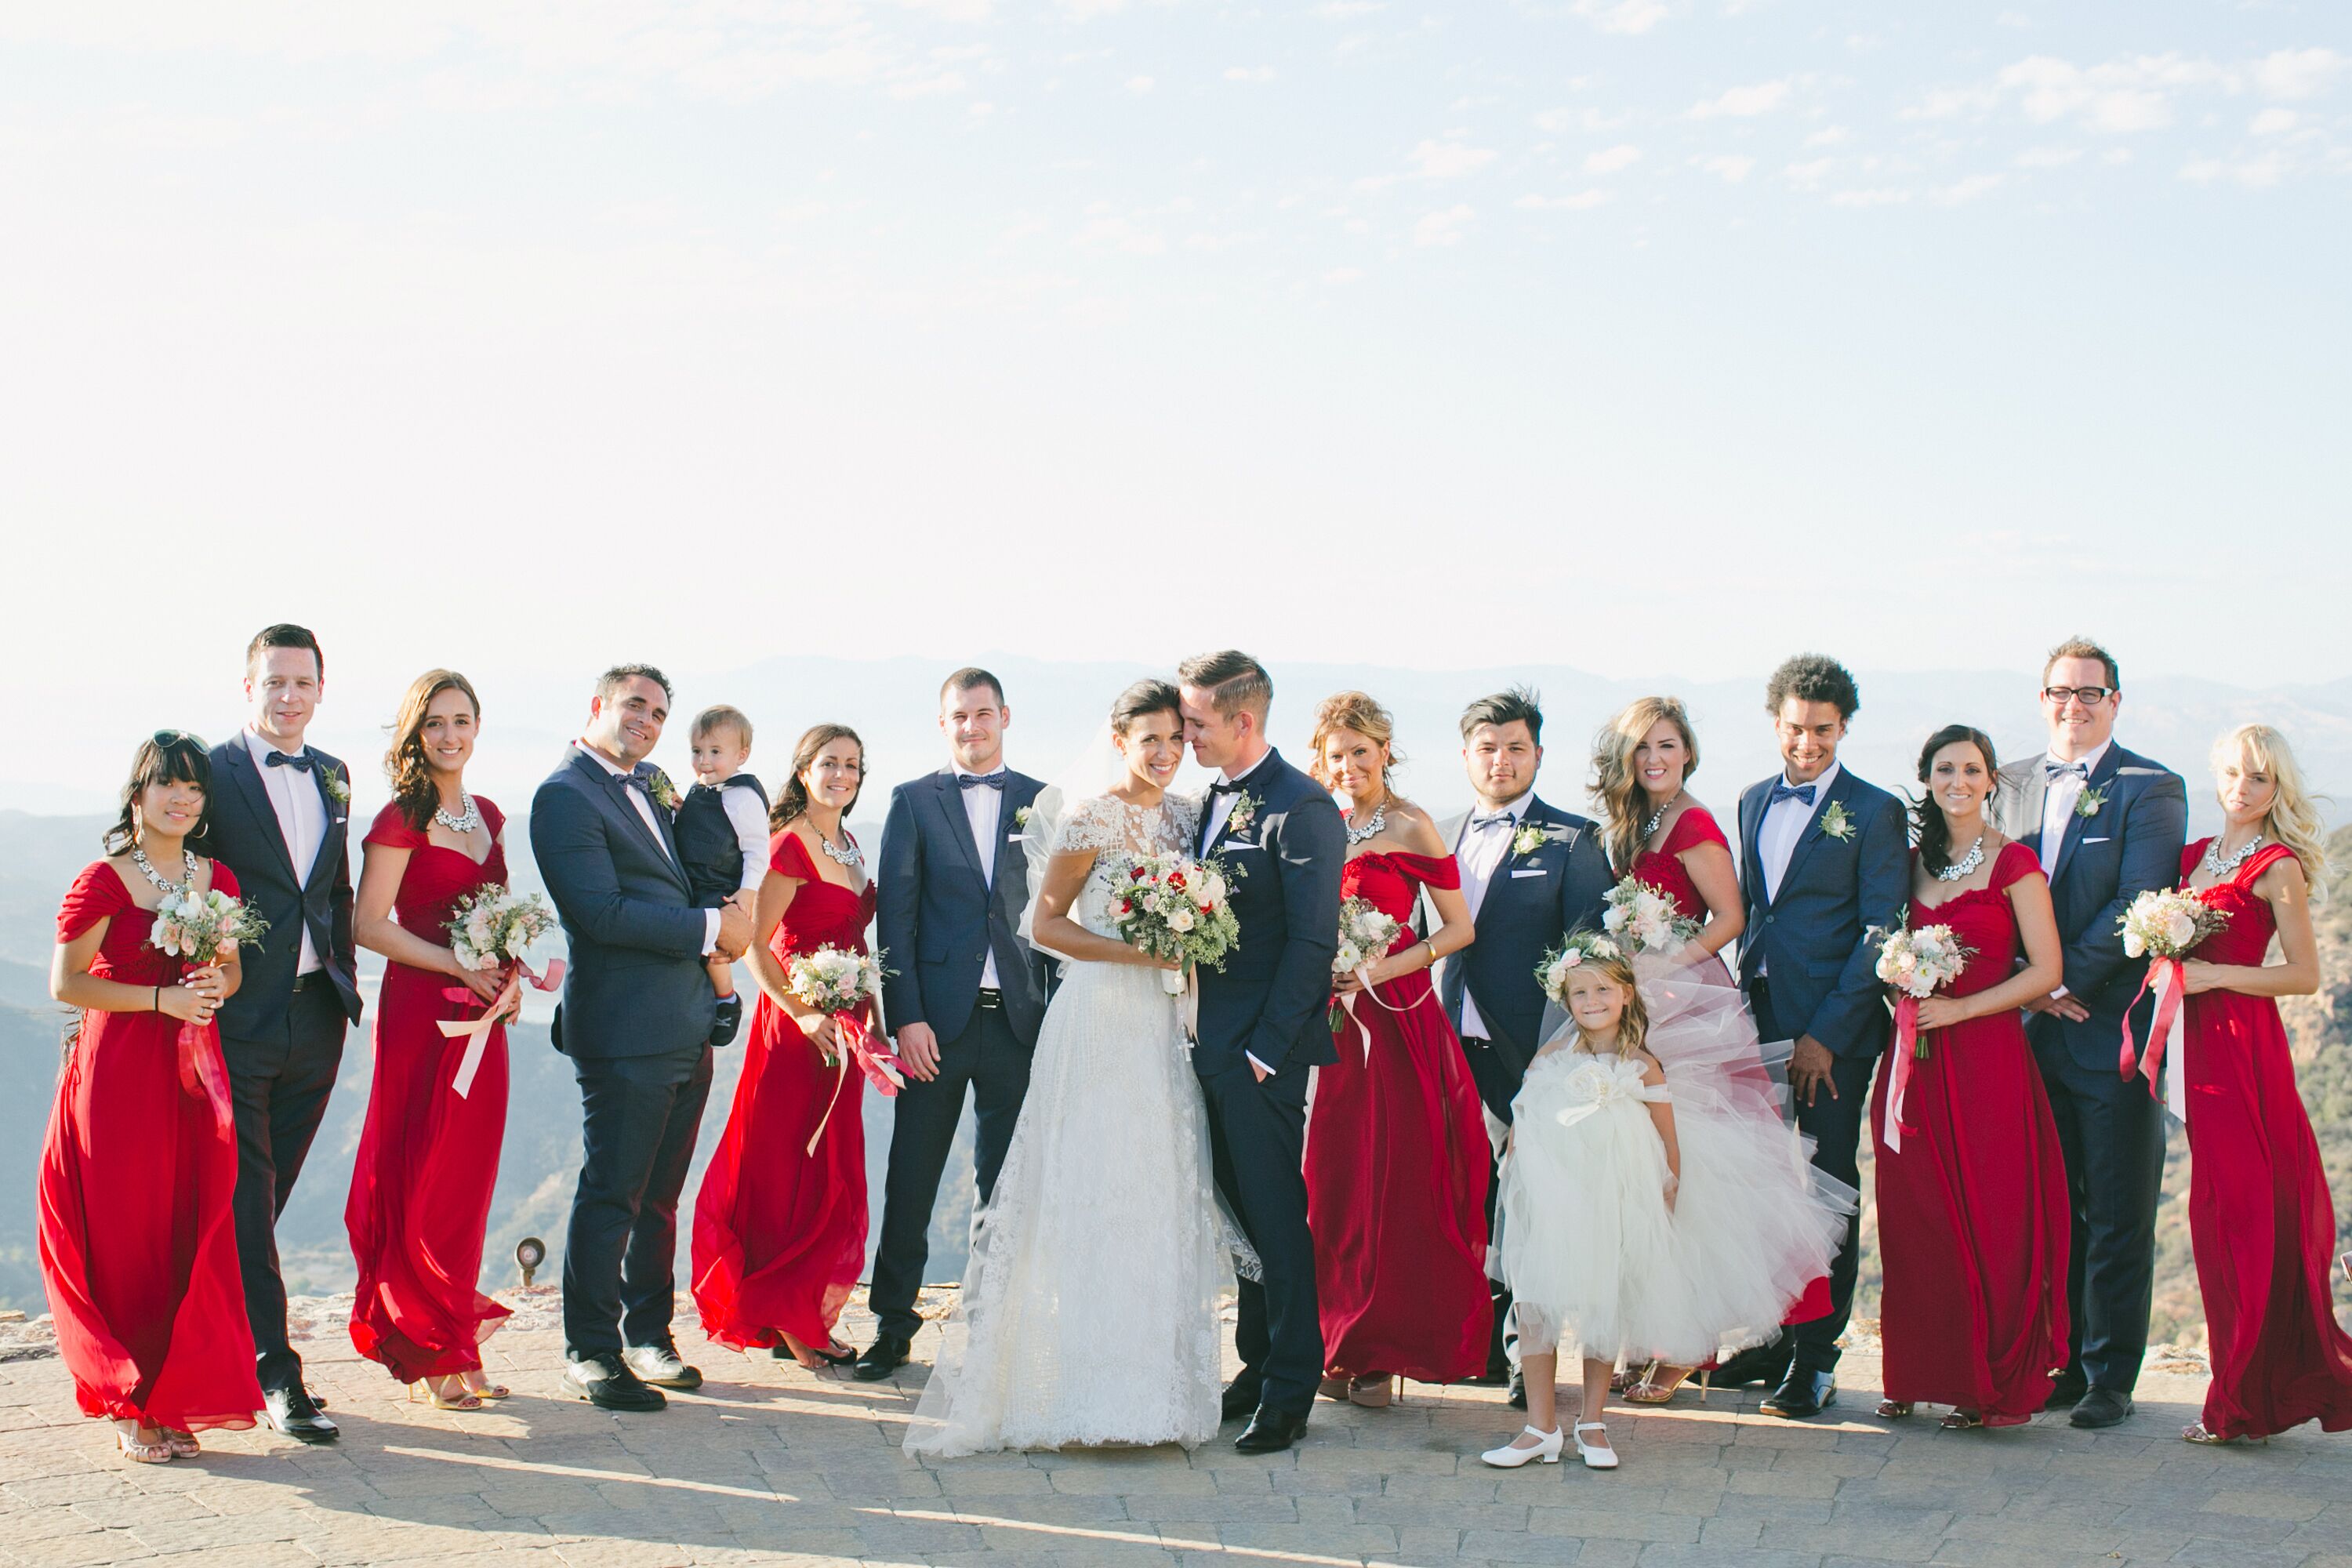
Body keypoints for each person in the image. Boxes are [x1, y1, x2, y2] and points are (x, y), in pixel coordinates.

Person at [904, 681, 1226, 1455]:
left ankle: (1156, 1392)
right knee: (1094, 1189)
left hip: (1160, 1023)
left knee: (1154, 1191)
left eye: (1174, 738)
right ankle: (1086, 1389)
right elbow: (1044, 924)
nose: (1163, 752)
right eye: (1148, 737)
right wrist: (1137, 950)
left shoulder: (1189, 819)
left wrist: (1187, 943)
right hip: (1097, 1018)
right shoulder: (1091, 817)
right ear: (1118, 740)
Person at [1482, 937, 1846, 1472]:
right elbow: (1524, 1125)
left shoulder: (1644, 1065)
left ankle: (1592, 1422)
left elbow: (1667, 1141)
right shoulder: (1551, 1057)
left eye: (1603, 990)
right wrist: (1523, 1182)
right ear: (1566, 1000)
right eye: (1580, 992)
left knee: (1603, 1307)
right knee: (1535, 1307)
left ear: (1626, 995)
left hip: (1616, 1204)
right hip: (1556, 1205)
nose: (1591, 1001)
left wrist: (1667, 1189)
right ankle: (1539, 1428)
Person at [534, 664, 752, 1412]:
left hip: (687, 1021)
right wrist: (709, 928)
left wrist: (733, 908)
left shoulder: (657, 782)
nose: (647, 722)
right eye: (634, 706)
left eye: (659, 712)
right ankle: (590, 1351)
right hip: (623, 1029)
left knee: (661, 1197)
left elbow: (692, 868)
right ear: (597, 706)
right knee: (612, 1193)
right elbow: (601, 912)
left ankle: (649, 1337)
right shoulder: (563, 797)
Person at [42, 733, 263, 1463]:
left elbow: (228, 973)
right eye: (167, 785)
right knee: (129, 1230)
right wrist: (161, 996)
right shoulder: (104, 880)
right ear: (137, 794)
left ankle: (175, 1392)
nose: (181, 799)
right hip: (119, 1076)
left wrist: (211, 987)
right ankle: (133, 1401)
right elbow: (67, 984)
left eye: (194, 789)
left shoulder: (217, 876)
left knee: (186, 1224)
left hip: (194, 1072)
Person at [1992, 637, 2185, 1429]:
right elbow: (1983, 889)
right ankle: (2060, 1358)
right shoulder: (2004, 782)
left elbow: (2139, 900)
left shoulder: (2150, 787)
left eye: (2090, 692)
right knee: (2051, 1207)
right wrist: (2022, 985)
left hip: (2109, 1029)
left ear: (2115, 700)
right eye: (2060, 692)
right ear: (2042, 699)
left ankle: (2110, 1371)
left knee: (2115, 1205)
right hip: (2024, 1034)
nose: (2074, 705)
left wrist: (2059, 979)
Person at [1871, 725, 2071, 1429]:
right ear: (1927, 778)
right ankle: (1915, 1369)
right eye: (1945, 768)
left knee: (1990, 1220)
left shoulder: (2015, 862)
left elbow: (2047, 971)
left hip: (1986, 1062)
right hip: (1913, 1067)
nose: (1959, 780)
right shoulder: (1906, 863)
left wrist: (1961, 1011)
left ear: (1992, 781)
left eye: (1973, 769)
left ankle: (1981, 1378)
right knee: (1915, 1220)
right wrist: (1901, 987)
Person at [1725, 655, 1909, 1418]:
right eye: (1796, 727)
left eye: (1823, 730)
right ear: (1776, 722)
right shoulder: (1751, 799)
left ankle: (1817, 1358)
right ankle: (1772, 1336)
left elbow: (1880, 930)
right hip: (1755, 1019)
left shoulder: (1873, 811)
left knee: (1828, 1186)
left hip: (1834, 1033)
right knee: (1763, 1188)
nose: (1808, 742)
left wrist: (1826, 1035)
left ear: (1844, 727)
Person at [861, 670, 1053, 1383]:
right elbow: (895, 921)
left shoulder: (1043, 802)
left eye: (982, 714)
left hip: (1018, 1027)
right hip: (933, 1029)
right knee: (911, 1178)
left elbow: (1054, 920)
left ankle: (990, 1327)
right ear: (942, 725)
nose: (971, 727)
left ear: (1005, 715)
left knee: (1002, 1186)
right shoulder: (913, 802)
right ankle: (891, 1325)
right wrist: (904, 1017)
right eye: (958, 717)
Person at [1179, 650, 1345, 1455]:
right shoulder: (1207, 800)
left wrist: (1265, 1052)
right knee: (1237, 1215)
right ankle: (1256, 1362)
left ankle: (1290, 1387)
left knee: (1277, 1220)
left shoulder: (1302, 807)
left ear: (1243, 719)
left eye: (1197, 722)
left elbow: (1314, 942)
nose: (1187, 735)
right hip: (1198, 1045)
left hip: (1258, 1057)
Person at [1304, 691, 1491, 1406]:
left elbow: (1457, 929)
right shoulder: (1312, 823)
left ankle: (1384, 1350)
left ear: (1385, 752)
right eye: (1337, 755)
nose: (1349, 765)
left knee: (1395, 1179)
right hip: (1324, 1022)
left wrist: (1383, 966)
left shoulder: (1413, 826)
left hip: (1396, 1017)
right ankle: (1332, 1339)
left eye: (1362, 752)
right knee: (1333, 1182)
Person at [1428, 688, 1612, 1397]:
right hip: (1445, 1043)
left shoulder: (1574, 840)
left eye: (1515, 748)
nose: (1500, 760)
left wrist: (1559, 1050)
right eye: (1487, 748)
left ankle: (1519, 1355)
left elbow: (1590, 953)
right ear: (1465, 755)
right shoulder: (1437, 834)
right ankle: (1472, 1342)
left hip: (1531, 1052)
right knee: (1466, 1198)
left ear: (1537, 754)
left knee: (1527, 1205)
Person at [205, 625, 363, 1443]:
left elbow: (333, 888)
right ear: (248, 685)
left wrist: (344, 981)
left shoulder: (334, 773)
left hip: (317, 1014)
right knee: (245, 1194)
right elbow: (179, 874)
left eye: (302, 681)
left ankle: (226, 1345)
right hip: (237, 1014)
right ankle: (276, 1370)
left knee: (261, 1201)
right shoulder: (211, 769)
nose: (288, 695)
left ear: (320, 688)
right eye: (274, 681)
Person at [2176, 724, 2352, 1443]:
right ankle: (2248, 1388)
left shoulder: (2278, 866)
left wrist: (2218, 974)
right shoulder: (2190, 858)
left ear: (2277, 788)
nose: (2241, 791)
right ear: (2215, 776)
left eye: (2258, 779)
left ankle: (2241, 1404)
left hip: (2245, 1054)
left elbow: (2305, 975)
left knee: (2244, 1221)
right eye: (2231, 775)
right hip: (2191, 1052)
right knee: (2213, 1221)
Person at [346, 671, 516, 1409]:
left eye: (462, 720)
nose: (450, 735)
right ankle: (426, 1348)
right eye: (435, 723)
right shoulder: (400, 817)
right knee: (423, 1172)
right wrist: (453, 962)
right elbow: (368, 924)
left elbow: (500, 912)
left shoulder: (491, 815)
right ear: (415, 734)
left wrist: (507, 977)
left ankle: (457, 1338)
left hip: (484, 1020)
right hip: (423, 1013)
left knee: (467, 1183)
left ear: (478, 727)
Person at [691, 724, 880, 1369]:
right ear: (804, 771)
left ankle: (798, 1308)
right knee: (787, 1171)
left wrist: (872, 1019)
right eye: (830, 763)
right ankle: (788, 1314)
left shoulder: (850, 845)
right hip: (796, 1033)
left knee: (831, 1169)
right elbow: (754, 946)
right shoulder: (789, 845)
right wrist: (802, 1014)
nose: (842, 775)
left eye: (852, 765)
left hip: (848, 1031)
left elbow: (858, 945)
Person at [1589, 697, 1744, 971]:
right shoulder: (1636, 821)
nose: (1653, 758)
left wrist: (1665, 967)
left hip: (1679, 988)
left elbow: (1731, 918)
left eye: (1667, 746)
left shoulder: (1693, 824)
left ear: (1686, 753)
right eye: (1641, 747)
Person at [676, 704, 770, 1049]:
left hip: (719, 886)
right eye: (697, 751)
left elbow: (758, 850)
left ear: (740, 755)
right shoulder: (702, 788)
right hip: (691, 879)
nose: (704, 761)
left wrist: (747, 892)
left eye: (715, 752)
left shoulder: (742, 797)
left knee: (712, 942)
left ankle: (726, 999)